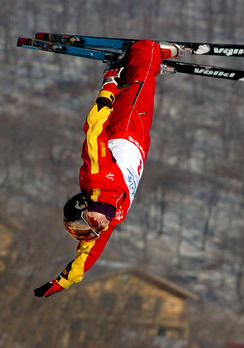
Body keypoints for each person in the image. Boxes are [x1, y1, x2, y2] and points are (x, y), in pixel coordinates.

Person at [34, 40, 180, 298]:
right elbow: (86, 258)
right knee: (138, 86)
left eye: (90, 224)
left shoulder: (96, 176)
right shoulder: (108, 220)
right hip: (139, 140)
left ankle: (148, 50)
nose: (96, 229)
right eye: (91, 230)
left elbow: (93, 130)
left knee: (142, 84)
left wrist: (107, 87)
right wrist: (62, 282)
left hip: (124, 128)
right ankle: (132, 66)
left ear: (86, 208)